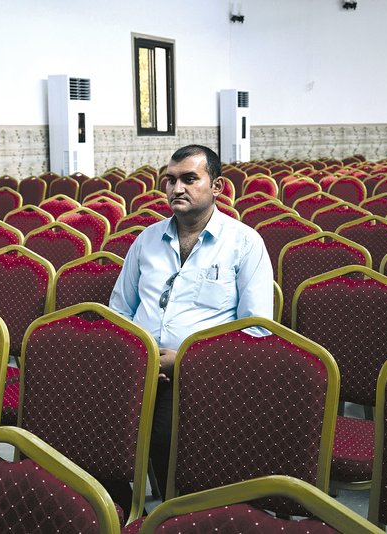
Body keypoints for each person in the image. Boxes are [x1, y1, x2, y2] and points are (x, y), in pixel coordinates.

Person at [109, 144, 273, 500]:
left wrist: (184, 359)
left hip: (208, 373)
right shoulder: (146, 239)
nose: (176, 188)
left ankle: (178, 510)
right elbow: (119, 311)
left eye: (188, 179)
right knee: (87, 425)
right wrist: (140, 356)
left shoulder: (244, 244)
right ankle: (116, 512)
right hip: (138, 365)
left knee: (159, 430)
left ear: (217, 187)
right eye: (170, 180)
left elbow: (257, 329)